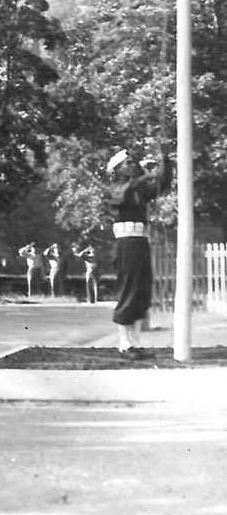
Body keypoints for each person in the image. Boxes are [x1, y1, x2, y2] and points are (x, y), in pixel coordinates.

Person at [104, 145, 172, 357]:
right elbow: (128, 190)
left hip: (140, 241)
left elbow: (161, 185)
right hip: (126, 243)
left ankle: (134, 343)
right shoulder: (115, 189)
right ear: (117, 169)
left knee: (142, 290)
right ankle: (125, 344)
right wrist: (144, 172)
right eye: (129, 163)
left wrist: (165, 162)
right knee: (129, 291)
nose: (133, 165)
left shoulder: (136, 188)